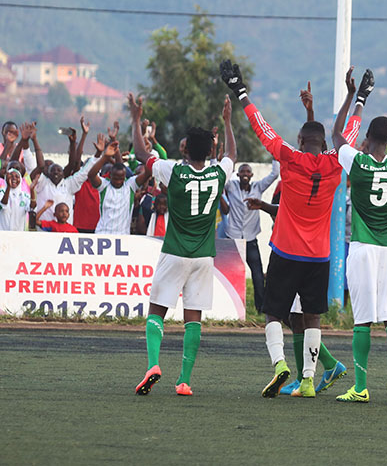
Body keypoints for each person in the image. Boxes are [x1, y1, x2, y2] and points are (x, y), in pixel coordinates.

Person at [222, 59, 348, 399]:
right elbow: (346, 133)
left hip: (286, 251)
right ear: (323, 145)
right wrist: (358, 97)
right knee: (312, 319)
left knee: (275, 314)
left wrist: (241, 91)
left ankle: (279, 365)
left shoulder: (289, 159)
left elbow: (262, 128)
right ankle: (308, 380)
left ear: (299, 140)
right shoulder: (337, 163)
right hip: (319, 257)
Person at [130, 90, 236, 397]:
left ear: (185, 148)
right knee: (194, 318)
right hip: (204, 257)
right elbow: (232, 156)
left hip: (175, 251)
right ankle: (185, 381)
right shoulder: (218, 173)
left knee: (156, 312)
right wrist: (227, 122)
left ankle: (153, 365)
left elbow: (141, 154)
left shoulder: (171, 170)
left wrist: (136, 120)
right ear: (210, 150)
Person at [333, 68, 387, 406]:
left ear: (367, 136)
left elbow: (336, 135)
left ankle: (361, 386)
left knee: (363, 319)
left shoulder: (358, 163)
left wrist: (354, 96)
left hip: (363, 248)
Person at [222, 156, 279, 313]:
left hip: (250, 239)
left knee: (258, 275)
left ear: (252, 175)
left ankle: (260, 308)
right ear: (238, 174)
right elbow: (221, 176)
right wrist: (220, 159)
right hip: (233, 238)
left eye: (248, 171)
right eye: (242, 171)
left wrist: (274, 154)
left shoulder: (258, 187)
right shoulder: (231, 186)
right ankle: (230, 309)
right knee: (229, 274)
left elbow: (274, 174)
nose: (245, 174)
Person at [87, 141, 151, 235]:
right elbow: (91, 175)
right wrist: (105, 157)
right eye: (115, 178)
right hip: (102, 233)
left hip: (123, 236)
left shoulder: (130, 185)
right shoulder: (104, 185)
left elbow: (148, 173)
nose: (118, 181)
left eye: (121, 178)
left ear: (125, 176)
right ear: (110, 176)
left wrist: (146, 154)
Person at [31, 118, 88, 224]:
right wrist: (34, 139)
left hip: (65, 232)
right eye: (52, 170)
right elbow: (40, 165)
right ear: (47, 172)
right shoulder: (43, 183)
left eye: (59, 170)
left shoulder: (68, 184)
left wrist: (72, 143)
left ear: (63, 174)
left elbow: (72, 164)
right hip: (44, 230)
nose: (56, 172)